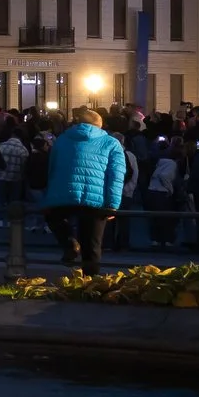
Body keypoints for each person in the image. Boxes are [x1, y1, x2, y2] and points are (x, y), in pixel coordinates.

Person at [44, 104, 127, 276]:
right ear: (100, 125)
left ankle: (70, 243)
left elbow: (52, 167)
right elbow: (116, 175)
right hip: (96, 200)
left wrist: (50, 196)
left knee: (53, 217)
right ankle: (91, 283)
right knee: (92, 244)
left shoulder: (63, 139)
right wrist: (112, 204)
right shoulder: (111, 143)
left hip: (65, 194)